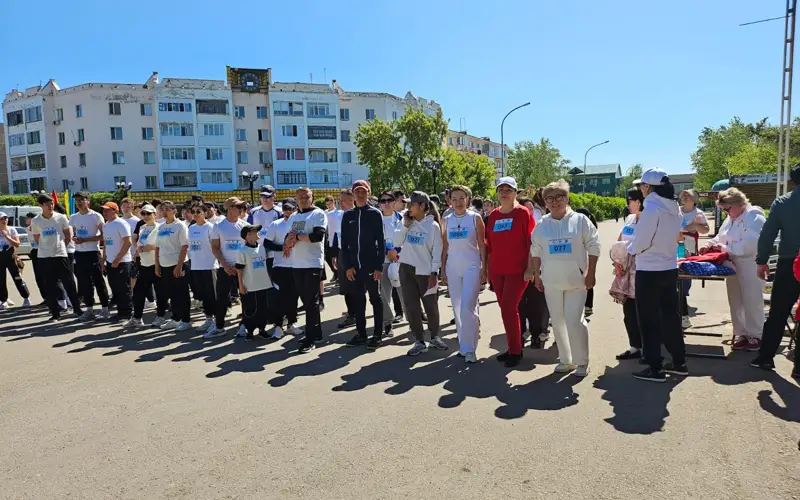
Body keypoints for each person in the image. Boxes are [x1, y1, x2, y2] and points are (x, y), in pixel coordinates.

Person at [527, 181, 600, 377]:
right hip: (551, 281)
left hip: (577, 282)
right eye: (550, 198)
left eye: (559, 196)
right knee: (558, 322)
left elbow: (594, 246)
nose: (554, 201)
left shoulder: (581, 220)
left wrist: (590, 272)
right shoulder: (542, 224)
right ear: (545, 202)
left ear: (567, 198)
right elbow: (535, 249)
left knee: (574, 320)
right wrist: (536, 274)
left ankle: (582, 361)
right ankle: (566, 360)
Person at [627, 168, 686, 382]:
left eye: (641, 185)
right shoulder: (674, 207)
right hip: (669, 267)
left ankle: (655, 367)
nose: (640, 189)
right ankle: (679, 361)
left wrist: (630, 250)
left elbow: (642, 240)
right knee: (670, 317)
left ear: (648, 187)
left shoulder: (651, 207)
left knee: (649, 321)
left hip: (649, 270)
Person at [699, 188, 766, 352]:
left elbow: (750, 244)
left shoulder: (753, 215)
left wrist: (724, 247)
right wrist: (709, 245)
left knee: (752, 300)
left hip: (750, 263)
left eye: (727, 209)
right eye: (724, 210)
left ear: (737, 203)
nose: (727, 213)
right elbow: (720, 236)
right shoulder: (731, 218)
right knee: (735, 300)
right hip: (732, 263)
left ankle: (756, 334)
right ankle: (740, 333)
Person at [753, 163, 800, 370]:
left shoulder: (782, 203)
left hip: (789, 261)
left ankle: (765, 357)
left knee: (778, 312)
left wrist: (762, 261)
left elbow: (767, 235)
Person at [485, 177, 535, 367]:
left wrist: (531, 267)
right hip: (498, 270)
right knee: (505, 309)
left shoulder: (523, 213)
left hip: (518, 270)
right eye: (501, 189)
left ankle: (516, 350)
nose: (504, 192)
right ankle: (512, 346)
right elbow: (490, 245)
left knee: (508, 307)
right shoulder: (494, 216)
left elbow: (531, 242)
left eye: (508, 189)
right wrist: (488, 271)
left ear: (516, 193)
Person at [395, 191, 446, 356]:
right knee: (411, 306)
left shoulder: (433, 226)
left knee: (430, 306)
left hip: (425, 272)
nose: (408, 207)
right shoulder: (405, 221)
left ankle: (435, 336)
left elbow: (437, 250)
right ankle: (419, 340)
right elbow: (396, 242)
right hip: (406, 269)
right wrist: (405, 225)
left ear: (422, 206)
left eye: (412, 204)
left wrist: (434, 272)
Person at [441, 185, 486, 363]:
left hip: (472, 265)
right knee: (458, 307)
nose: (458, 202)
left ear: (468, 199)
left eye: (462, 198)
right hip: (453, 266)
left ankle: (471, 348)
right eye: (454, 199)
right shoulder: (447, 220)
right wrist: (442, 268)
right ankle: (464, 345)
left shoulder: (475, 218)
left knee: (468, 306)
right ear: (449, 201)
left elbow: (482, 245)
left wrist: (485, 268)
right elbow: (445, 247)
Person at [341, 180, 385, 349]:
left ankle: (377, 335)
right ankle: (361, 334)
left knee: (375, 299)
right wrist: (348, 266)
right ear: (353, 194)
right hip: (354, 267)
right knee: (359, 301)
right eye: (357, 191)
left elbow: (380, 242)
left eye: (363, 191)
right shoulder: (348, 215)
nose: (360, 194)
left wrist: (378, 266)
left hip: (370, 265)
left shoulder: (374, 214)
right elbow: (344, 243)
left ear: (368, 192)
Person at [284, 187, 328, 353]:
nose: (303, 199)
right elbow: (288, 236)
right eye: (300, 196)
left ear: (312, 197)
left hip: (312, 263)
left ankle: (310, 339)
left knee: (311, 302)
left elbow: (317, 236)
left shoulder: (318, 214)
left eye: (306, 196)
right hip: (296, 264)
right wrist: (287, 242)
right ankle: (316, 332)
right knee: (308, 302)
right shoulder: (294, 216)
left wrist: (296, 238)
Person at [31, 194, 84, 321]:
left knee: (69, 283)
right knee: (49, 285)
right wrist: (47, 247)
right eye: (48, 204)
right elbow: (37, 238)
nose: (51, 206)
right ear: (41, 205)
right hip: (44, 256)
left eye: (52, 204)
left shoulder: (61, 218)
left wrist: (60, 246)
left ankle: (77, 309)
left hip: (60, 255)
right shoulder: (36, 221)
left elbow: (67, 236)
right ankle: (55, 313)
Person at [206, 198, 248, 338]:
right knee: (222, 298)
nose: (241, 209)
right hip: (224, 268)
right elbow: (215, 248)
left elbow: (250, 246)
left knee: (245, 297)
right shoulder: (218, 226)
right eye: (238, 206)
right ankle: (219, 327)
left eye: (242, 207)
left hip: (242, 268)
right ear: (230, 208)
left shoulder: (245, 225)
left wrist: (240, 265)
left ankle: (244, 325)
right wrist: (225, 265)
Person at [614, 188, 645, 360]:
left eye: (630, 201)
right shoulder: (630, 219)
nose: (627, 204)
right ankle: (635, 347)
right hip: (626, 272)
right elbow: (619, 241)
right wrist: (617, 261)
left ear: (639, 202)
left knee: (645, 312)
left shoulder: (649, 220)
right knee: (629, 312)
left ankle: (649, 349)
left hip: (643, 271)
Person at [264, 198, 302, 338]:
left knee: (294, 296)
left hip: (297, 265)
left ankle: (291, 323)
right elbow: (267, 243)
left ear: (296, 208)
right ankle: (278, 326)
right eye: (285, 208)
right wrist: (283, 247)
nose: (288, 211)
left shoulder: (299, 224)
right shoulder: (276, 224)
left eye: (291, 208)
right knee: (279, 297)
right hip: (280, 266)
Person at [70, 191, 111, 320]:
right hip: (79, 254)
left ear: (88, 201)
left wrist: (86, 240)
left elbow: (104, 235)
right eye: (77, 200)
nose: (79, 203)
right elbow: (74, 233)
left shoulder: (95, 216)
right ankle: (89, 309)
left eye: (81, 200)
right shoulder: (73, 217)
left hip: (93, 253)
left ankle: (105, 308)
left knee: (98, 281)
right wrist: (75, 238)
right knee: (84, 282)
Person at [154, 201, 191, 331]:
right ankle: (176, 318)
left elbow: (184, 246)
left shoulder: (180, 226)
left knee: (182, 293)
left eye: (167, 209)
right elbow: (157, 247)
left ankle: (186, 320)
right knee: (171, 293)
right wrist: (157, 266)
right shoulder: (161, 227)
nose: (164, 212)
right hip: (164, 265)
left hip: (177, 264)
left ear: (174, 211)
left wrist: (179, 266)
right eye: (162, 209)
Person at [129, 204, 167, 327]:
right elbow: (140, 243)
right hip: (144, 264)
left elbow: (164, 246)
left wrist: (151, 247)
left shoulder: (160, 228)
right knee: (138, 292)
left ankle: (160, 316)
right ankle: (137, 318)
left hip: (157, 264)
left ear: (155, 215)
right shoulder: (142, 227)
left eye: (149, 214)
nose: (145, 216)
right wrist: (137, 253)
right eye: (143, 213)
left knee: (160, 292)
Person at [236, 224, 276, 341]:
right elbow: (239, 270)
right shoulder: (242, 251)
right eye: (254, 231)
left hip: (263, 284)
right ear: (248, 235)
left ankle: (262, 329)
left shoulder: (262, 248)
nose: (258, 233)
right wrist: (241, 285)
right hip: (250, 286)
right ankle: (250, 331)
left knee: (263, 309)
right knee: (250, 310)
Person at [678, 189, 710, 329]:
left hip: (689, 244)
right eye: (683, 194)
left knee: (686, 270)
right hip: (674, 242)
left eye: (688, 194)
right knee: (675, 269)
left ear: (694, 199)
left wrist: (695, 226)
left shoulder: (698, 213)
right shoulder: (675, 210)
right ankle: (679, 298)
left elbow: (706, 229)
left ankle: (683, 296)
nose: (684, 196)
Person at [377, 190, 405, 337]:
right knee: (384, 294)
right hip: (382, 261)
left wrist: (396, 250)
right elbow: (372, 240)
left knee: (404, 293)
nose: (386, 203)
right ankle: (387, 323)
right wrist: (387, 250)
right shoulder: (375, 219)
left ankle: (414, 321)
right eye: (383, 201)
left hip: (400, 260)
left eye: (389, 200)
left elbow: (407, 237)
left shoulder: (402, 218)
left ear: (394, 202)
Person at [100, 202, 133, 323]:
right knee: (115, 288)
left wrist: (117, 259)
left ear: (115, 211)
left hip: (122, 262)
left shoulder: (121, 223)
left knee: (124, 288)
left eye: (107, 210)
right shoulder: (106, 225)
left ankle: (127, 314)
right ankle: (120, 312)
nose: (104, 213)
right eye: (103, 210)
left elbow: (127, 242)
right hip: (110, 262)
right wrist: (104, 261)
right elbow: (106, 244)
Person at [188, 202, 218, 332]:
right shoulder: (191, 228)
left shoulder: (210, 227)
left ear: (205, 213)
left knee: (212, 295)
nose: (195, 214)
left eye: (198, 212)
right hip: (196, 265)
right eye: (193, 212)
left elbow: (216, 247)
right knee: (203, 295)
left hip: (209, 265)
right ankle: (208, 319)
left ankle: (217, 321)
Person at [336, 188, 357, 328]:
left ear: (351, 200)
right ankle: (351, 314)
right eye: (340, 200)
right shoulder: (337, 216)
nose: (341, 203)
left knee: (356, 286)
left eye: (343, 200)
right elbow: (334, 235)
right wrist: (334, 255)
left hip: (355, 255)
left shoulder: (358, 215)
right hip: (341, 253)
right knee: (345, 287)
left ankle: (357, 314)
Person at [0, 211, 30, 308]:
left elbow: (17, 244)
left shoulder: (11, 230)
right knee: (1, 280)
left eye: (6, 218)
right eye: (2, 218)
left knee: (17, 277)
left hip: (11, 256)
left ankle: (26, 298)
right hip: (0, 257)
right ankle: (4, 300)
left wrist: (6, 236)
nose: (5, 220)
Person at [323, 195, 341, 281]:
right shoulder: (325, 212)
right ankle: (335, 272)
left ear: (333, 203)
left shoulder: (338, 212)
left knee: (337, 258)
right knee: (329, 258)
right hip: (328, 238)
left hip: (336, 238)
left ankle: (338, 275)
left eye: (330, 204)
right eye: (327, 204)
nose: (328, 206)